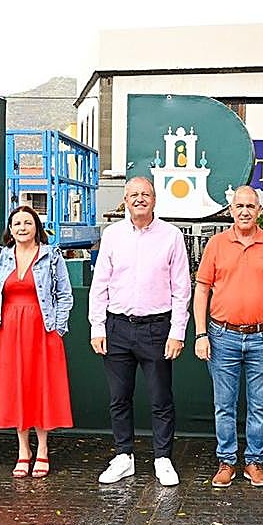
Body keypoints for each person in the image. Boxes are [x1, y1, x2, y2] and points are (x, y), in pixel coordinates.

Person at [90, 177, 191, 487]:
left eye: (145, 194)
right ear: (125, 199)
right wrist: (97, 326)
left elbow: (182, 288)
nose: (139, 199)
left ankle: (162, 458)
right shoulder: (112, 235)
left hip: (157, 329)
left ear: (154, 199)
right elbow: (100, 284)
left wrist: (178, 332)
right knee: (119, 397)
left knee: (161, 397)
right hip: (117, 326)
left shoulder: (171, 236)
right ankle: (124, 457)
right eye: (133, 194)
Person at [192, 186, 263, 488]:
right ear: (231, 210)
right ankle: (226, 461)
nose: (245, 211)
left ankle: (254, 462)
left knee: (260, 403)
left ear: (260, 210)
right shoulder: (216, 244)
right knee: (224, 403)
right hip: (222, 336)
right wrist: (200, 333)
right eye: (240, 206)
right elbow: (201, 289)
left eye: (251, 206)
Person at [0, 206, 74, 478]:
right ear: (10, 230)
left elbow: (65, 294)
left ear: (37, 226)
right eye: (17, 223)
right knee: (17, 388)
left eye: (28, 222)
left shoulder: (51, 256)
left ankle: (44, 450)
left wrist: (57, 329)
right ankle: (23, 450)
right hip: (9, 331)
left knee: (40, 388)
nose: (22, 227)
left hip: (42, 329)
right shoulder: (0, 257)